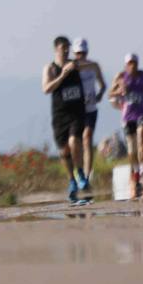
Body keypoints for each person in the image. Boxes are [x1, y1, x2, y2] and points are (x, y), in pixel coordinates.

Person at [43, 36, 88, 203]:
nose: (66, 50)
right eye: (63, 47)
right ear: (56, 49)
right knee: (64, 151)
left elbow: (92, 66)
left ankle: (80, 172)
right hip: (59, 114)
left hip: (77, 111)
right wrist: (63, 75)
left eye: (68, 47)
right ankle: (72, 181)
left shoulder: (74, 64)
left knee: (74, 141)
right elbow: (46, 88)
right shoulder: (50, 68)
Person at [108, 54, 143, 196]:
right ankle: (135, 171)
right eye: (129, 63)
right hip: (128, 115)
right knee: (131, 147)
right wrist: (120, 91)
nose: (132, 66)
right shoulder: (121, 76)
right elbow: (110, 94)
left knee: (141, 139)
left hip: (142, 113)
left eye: (134, 63)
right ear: (126, 64)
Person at [72, 39, 106, 192]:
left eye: (83, 53)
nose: (81, 56)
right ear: (74, 53)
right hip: (76, 110)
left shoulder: (94, 66)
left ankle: (87, 175)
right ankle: (77, 172)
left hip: (91, 109)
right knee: (76, 142)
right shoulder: (71, 68)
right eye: (78, 53)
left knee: (87, 138)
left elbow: (103, 85)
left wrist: (99, 94)